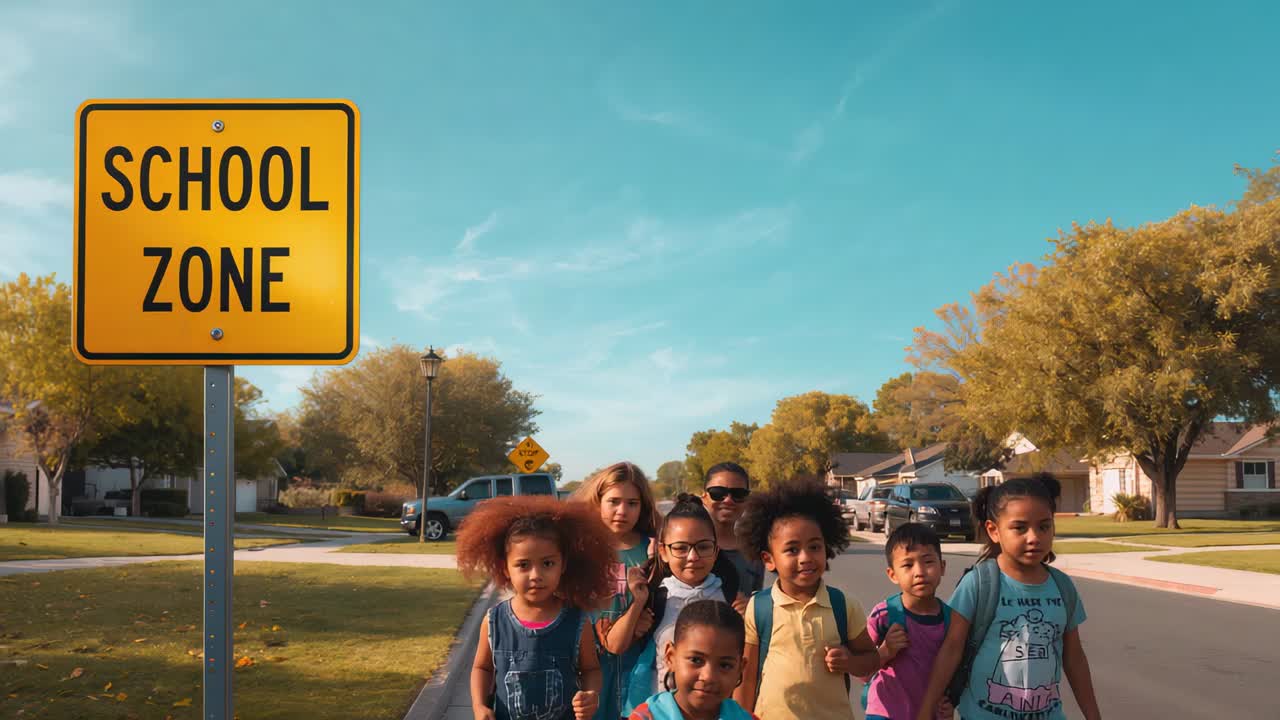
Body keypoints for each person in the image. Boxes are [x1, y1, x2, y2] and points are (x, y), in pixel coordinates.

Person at [914, 474, 1102, 720]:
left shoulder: (1062, 586)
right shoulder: (979, 583)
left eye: (1044, 526)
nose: (1034, 537)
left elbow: (1074, 657)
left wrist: (1093, 716)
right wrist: (926, 711)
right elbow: (951, 650)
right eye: (1020, 528)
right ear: (994, 530)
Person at [457, 496, 617, 720]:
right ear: (505, 568)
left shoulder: (578, 621)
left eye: (548, 563)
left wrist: (591, 694)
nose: (536, 575)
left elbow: (591, 669)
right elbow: (482, 668)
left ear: (564, 565)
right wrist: (479, 705)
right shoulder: (494, 621)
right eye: (523, 565)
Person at [733, 479, 879, 720]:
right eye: (792, 550)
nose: (805, 558)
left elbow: (871, 660)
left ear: (826, 548)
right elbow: (746, 679)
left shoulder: (843, 605)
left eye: (814, 547)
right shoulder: (758, 608)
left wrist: (851, 662)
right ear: (769, 559)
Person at [612, 494, 742, 714]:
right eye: (681, 548)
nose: (693, 557)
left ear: (716, 550)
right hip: (662, 710)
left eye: (703, 547)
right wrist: (637, 609)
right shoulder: (654, 597)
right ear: (663, 552)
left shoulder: (728, 595)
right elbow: (616, 646)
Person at [575, 462, 662, 720]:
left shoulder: (654, 548)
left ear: (643, 506)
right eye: (613, 501)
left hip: (639, 662)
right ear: (598, 501)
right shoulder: (581, 548)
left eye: (632, 503)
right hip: (590, 662)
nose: (622, 511)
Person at [861, 522, 955, 720]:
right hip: (884, 712)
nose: (919, 571)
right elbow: (861, 671)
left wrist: (951, 701)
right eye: (908, 565)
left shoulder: (952, 621)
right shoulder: (884, 615)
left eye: (928, 561)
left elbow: (957, 671)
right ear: (892, 574)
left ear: (942, 566)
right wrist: (886, 651)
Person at [627, 600, 759, 720]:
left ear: (740, 668)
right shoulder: (647, 717)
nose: (708, 676)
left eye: (725, 665)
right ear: (670, 657)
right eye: (696, 660)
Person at [700, 462, 765, 610]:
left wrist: (751, 607)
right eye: (718, 493)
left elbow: (759, 596)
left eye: (738, 494)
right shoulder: (686, 548)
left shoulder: (754, 552)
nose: (728, 500)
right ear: (704, 497)